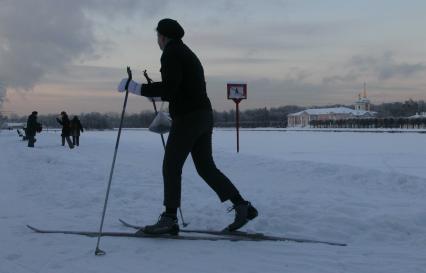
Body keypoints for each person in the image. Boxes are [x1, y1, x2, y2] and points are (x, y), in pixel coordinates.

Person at [117, 18, 258, 235]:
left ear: (163, 36)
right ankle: (242, 206)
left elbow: (170, 89)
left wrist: (136, 87)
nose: (157, 40)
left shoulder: (171, 52)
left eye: (158, 36)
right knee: (205, 167)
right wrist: (158, 93)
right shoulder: (187, 52)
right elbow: (179, 87)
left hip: (188, 118)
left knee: (171, 165)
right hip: (203, 116)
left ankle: (169, 218)